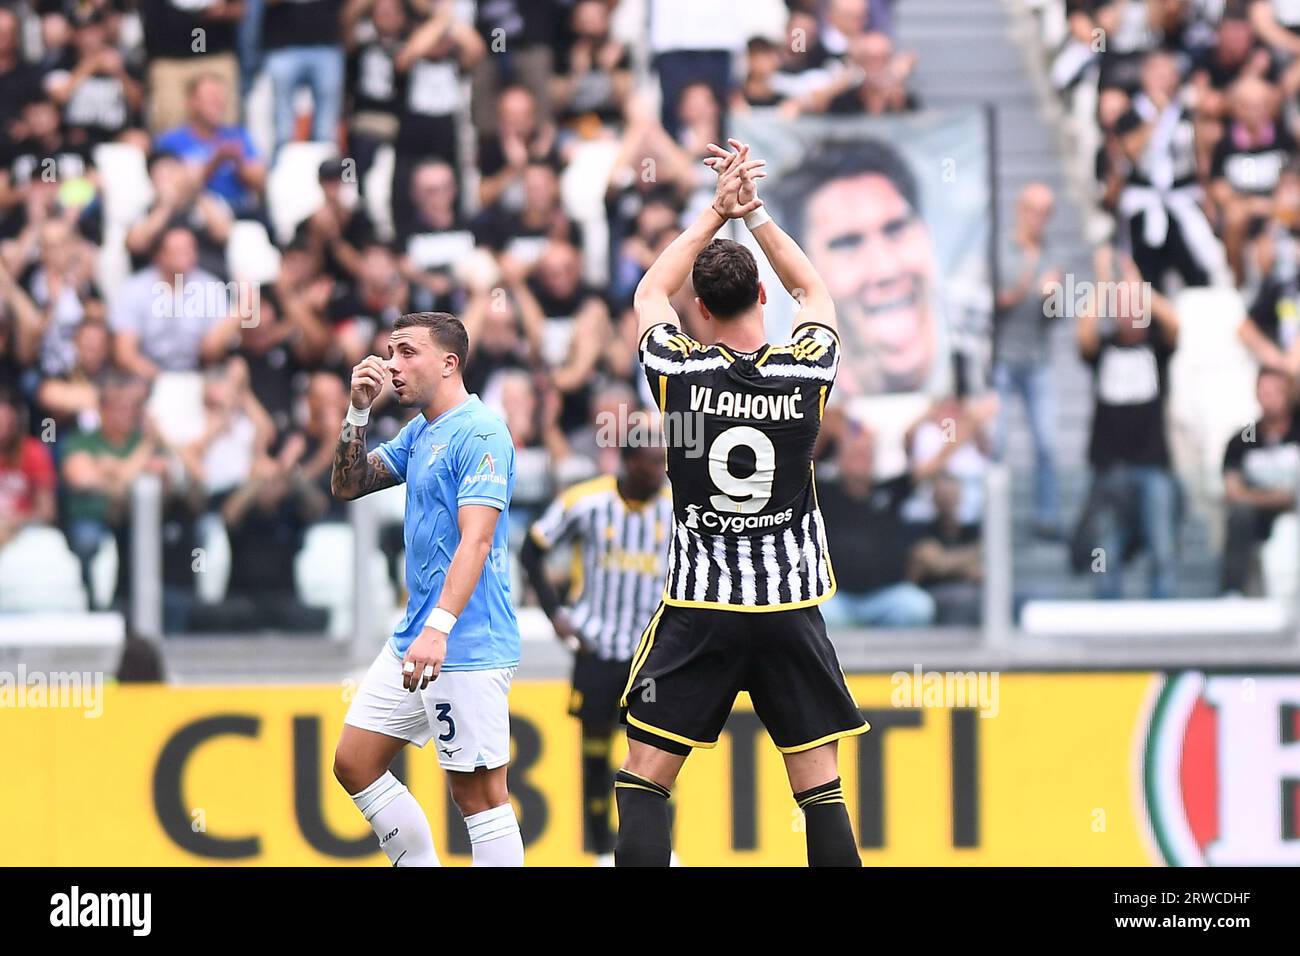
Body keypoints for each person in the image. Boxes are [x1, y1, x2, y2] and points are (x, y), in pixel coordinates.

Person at [615, 140, 867, 868]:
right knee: (820, 793)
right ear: (763, 298)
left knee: (643, 783)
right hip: (788, 606)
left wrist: (712, 212)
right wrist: (752, 212)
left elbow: (646, 296)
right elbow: (816, 292)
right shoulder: (804, 371)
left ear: (700, 309)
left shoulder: (678, 374)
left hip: (700, 609)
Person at [330, 310, 523, 867]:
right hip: (413, 639)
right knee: (355, 762)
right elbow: (348, 484)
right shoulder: (421, 431)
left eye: (407, 352)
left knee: (480, 797)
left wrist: (439, 629)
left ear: (449, 362)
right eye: (391, 352)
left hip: (463, 641)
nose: (393, 364)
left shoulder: (483, 432)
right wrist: (357, 411)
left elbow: (477, 540)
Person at [519, 442, 672, 864]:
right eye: (651, 461)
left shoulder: (677, 508)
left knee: (656, 755)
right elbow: (531, 550)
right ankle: (602, 849)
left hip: (651, 655)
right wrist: (556, 615)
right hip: (597, 648)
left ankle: (658, 847)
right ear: (627, 462)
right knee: (595, 751)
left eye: (663, 460)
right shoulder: (586, 501)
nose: (660, 469)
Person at [1077, 247, 1181, 599]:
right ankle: (1106, 631)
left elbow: (1174, 322)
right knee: (1105, 551)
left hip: (1153, 465)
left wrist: (1139, 286)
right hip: (1110, 468)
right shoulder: (1105, 349)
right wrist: (1104, 285)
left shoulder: (1156, 348)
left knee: (1162, 548)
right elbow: (1084, 335)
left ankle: (1165, 627)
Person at [994, 183, 1063, 538]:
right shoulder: (1000, 249)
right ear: (1021, 210)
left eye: (1045, 212)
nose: (1039, 219)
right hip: (1002, 359)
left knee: (1048, 442)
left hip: (1037, 359)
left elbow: (1057, 317)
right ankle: (993, 520)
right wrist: (1024, 285)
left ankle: (1047, 518)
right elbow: (989, 303)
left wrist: (1055, 297)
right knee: (996, 442)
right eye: (1034, 210)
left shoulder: (1053, 256)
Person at [1220, 368, 1300, 594]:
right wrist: (1278, 498)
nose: (1269, 398)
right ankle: (1232, 592)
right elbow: (1233, 492)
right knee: (1239, 516)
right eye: (1263, 392)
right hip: (1257, 518)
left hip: (1295, 514)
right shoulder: (1242, 440)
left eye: (1275, 391)